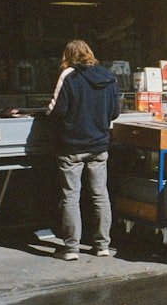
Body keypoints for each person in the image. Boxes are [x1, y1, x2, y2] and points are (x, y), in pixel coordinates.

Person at [46, 40, 121, 260]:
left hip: (72, 146)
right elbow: (115, 113)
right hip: (99, 145)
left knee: (71, 196)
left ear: (68, 56)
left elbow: (55, 110)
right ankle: (102, 245)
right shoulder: (109, 77)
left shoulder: (68, 75)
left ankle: (71, 248)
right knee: (100, 194)